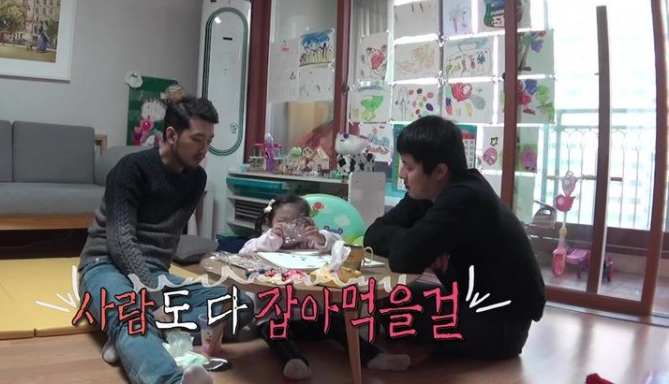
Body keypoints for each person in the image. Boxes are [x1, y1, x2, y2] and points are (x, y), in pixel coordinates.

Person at [77, 96, 254, 384]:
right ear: (171, 135)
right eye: (197, 139)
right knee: (132, 314)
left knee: (238, 303)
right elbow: (121, 244)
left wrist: (157, 297)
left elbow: (168, 237)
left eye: (209, 141)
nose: (204, 149)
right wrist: (155, 300)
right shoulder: (131, 169)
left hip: (157, 274)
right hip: (105, 265)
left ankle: (137, 340)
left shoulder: (196, 179)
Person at [364, 115, 546, 365]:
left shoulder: (466, 197)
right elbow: (373, 235)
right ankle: (429, 343)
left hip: (502, 323)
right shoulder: (427, 192)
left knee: (397, 313)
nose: (402, 173)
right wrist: (419, 243)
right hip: (465, 301)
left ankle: (430, 347)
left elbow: (403, 258)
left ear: (439, 171)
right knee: (386, 300)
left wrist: (419, 247)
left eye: (408, 166)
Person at [240, 194, 411, 380]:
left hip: (311, 315)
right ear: (270, 223)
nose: (288, 227)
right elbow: (245, 252)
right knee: (276, 332)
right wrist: (272, 238)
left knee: (339, 325)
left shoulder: (311, 242)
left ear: (307, 222)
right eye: (282, 222)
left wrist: (319, 237)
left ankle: (373, 356)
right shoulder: (266, 242)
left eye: (296, 222)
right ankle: (293, 360)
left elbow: (338, 245)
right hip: (276, 315)